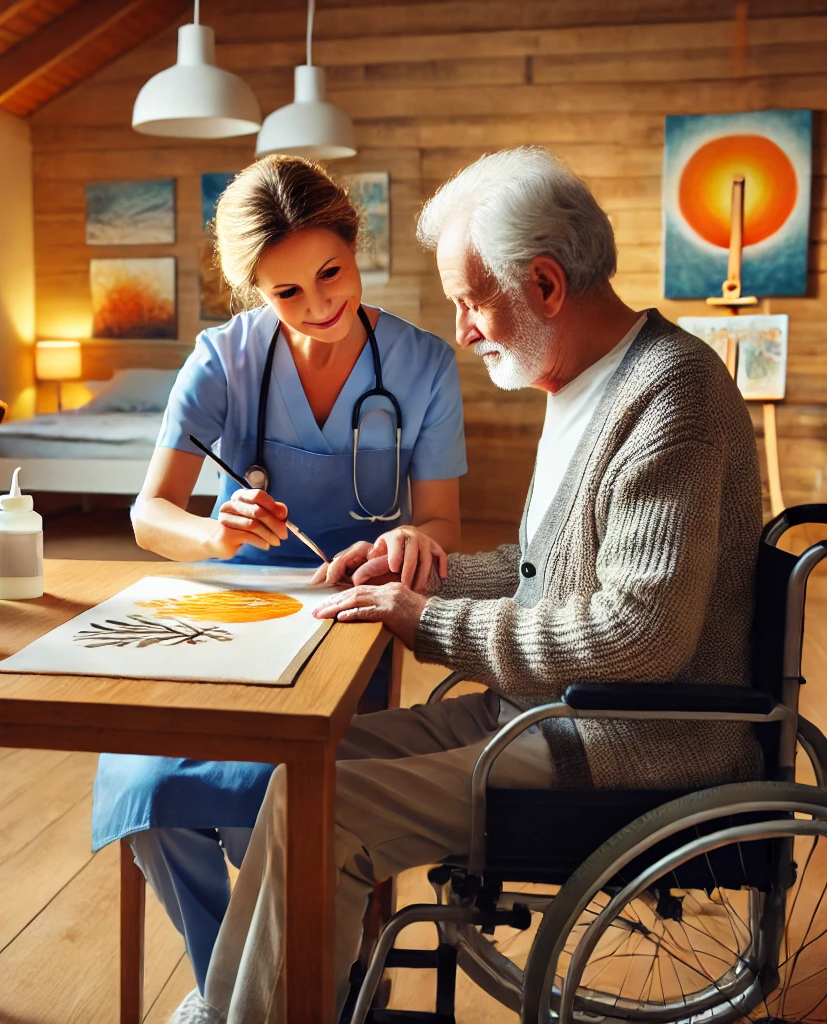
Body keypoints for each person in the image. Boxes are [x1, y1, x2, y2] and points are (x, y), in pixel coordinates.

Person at [182, 147, 767, 1024]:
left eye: (472, 300)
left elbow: (641, 634)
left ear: (544, 285)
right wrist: (421, 566)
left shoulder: (670, 398)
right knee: (300, 775)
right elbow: (549, 578)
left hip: (633, 739)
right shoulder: (588, 383)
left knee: (327, 811)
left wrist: (427, 621)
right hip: (559, 708)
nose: (462, 329)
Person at [91, 155, 467, 1014]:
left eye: (329, 273)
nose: (319, 305)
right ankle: (258, 998)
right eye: (286, 293)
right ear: (253, 291)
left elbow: (443, 526)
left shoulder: (423, 365)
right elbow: (152, 516)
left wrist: (412, 538)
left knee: (301, 800)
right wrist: (212, 531)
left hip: (349, 621)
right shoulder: (223, 360)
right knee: (147, 794)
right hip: (227, 616)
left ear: (354, 243)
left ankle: (256, 1002)